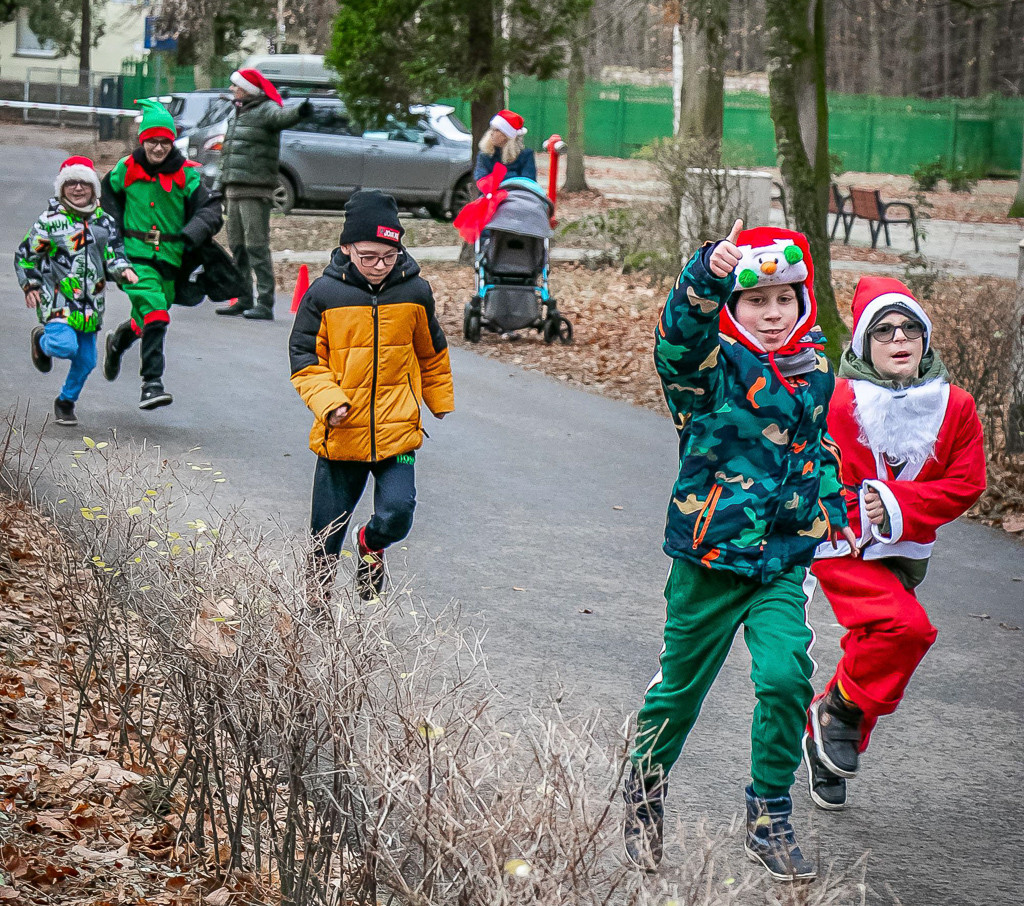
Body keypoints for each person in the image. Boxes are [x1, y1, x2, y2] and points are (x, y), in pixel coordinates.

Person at [623, 221, 856, 882]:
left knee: (786, 678)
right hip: (707, 561)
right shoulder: (709, 371)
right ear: (735, 304)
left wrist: (835, 504)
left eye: (785, 298)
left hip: (780, 564)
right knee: (678, 695)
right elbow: (676, 340)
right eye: (758, 300)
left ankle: (768, 812)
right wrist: (705, 274)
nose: (774, 313)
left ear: (803, 301)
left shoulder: (815, 373)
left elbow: (818, 451)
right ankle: (643, 794)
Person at [802, 276, 986, 811]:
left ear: (925, 338)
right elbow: (806, 465)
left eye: (910, 328)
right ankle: (838, 711)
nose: (899, 338)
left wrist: (899, 503)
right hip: (841, 544)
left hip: (905, 551)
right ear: (863, 344)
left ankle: (828, 740)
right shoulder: (836, 402)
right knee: (907, 629)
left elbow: (966, 483)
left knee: (877, 642)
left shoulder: (956, 406)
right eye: (884, 331)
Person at [288, 190, 454, 604]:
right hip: (341, 434)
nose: (380, 266)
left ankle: (370, 543)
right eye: (368, 256)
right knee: (325, 536)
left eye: (388, 255)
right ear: (347, 248)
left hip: (397, 430)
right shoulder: (324, 295)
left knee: (398, 513)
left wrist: (439, 398)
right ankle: (316, 610)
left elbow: (431, 350)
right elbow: (304, 358)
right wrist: (329, 402)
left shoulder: (415, 292)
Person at [101, 100, 223, 410]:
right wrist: (111, 239)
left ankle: (119, 340)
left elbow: (211, 209)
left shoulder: (186, 175)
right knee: (155, 309)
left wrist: (193, 232)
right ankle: (151, 383)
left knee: (148, 316)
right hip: (133, 258)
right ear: (143, 140)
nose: (158, 147)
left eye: (165, 141)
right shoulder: (126, 169)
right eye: (153, 141)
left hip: (171, 260)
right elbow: (107, 198)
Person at [15, 156, 137, 426]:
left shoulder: (104, 222)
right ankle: (42, 342)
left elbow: (114, 254)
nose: (78, 189)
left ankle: (66, 401)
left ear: (94, 189)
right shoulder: (49, 222)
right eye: (71, 183)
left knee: (87, 360)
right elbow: (26, 256)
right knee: (63, 344)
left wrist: (123, 269)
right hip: (58, 297)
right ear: (62, 188)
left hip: (91, 301)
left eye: (84, 183)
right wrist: (30, 284)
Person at [214, 69, 312, 321]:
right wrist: (218, 187)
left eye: (236, 86)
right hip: (233, 190)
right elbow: (227, 156)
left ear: (248, 89)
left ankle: (265, 302)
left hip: (255, 190)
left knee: (256, 246)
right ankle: (244, 297)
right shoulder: (237, 114)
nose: (233, 90)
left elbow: (284, 117)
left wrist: (300, 111)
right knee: (237, 247)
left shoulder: (265, 110)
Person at [473, 109, 536, 182]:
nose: (491, 133)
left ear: (507, 135)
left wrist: (496, 178)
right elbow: (481, 179)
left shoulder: (525, 155)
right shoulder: (485, 155)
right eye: (491, 129)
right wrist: (513, 175)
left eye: (497, 130)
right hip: (490, 193)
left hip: (517, 192)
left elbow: (528, 181)